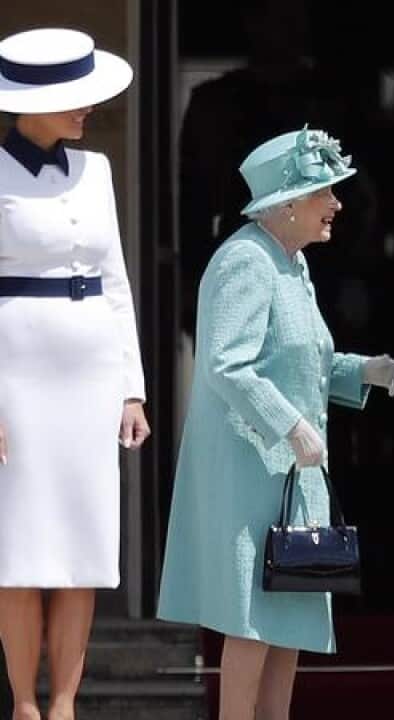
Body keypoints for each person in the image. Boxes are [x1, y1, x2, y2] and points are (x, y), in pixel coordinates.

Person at [155, 127, 394, 720]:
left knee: (287, 615)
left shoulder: (292, 263)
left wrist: (363, 371)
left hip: (290, 475)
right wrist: (291, 425)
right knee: (253, 619)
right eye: (326, 192)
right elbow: (226, 363)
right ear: (289, 203)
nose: (337, 205)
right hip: (250, 469)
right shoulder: (245, 258)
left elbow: (301, 358)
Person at [0, 27, 151, 720]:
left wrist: (131, 388)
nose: (88, 108)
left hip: (90, 370)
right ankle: (23, 705)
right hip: (15, 372)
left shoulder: (97, 170)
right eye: (74, 97)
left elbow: (115, 280)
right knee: (21, 547)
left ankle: (64, 704)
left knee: (83, 544)